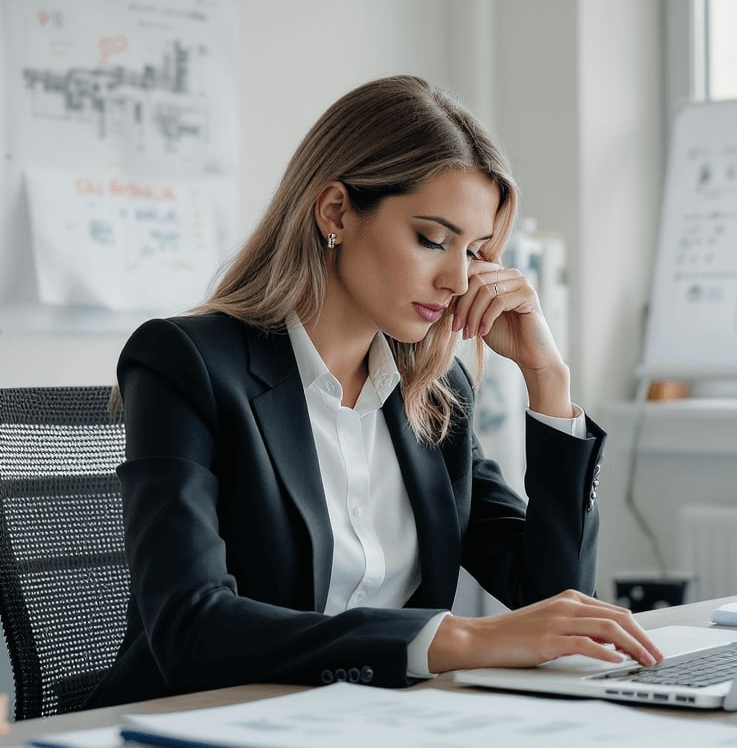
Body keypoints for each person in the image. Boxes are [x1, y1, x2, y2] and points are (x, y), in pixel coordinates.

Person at [84, 74, 663, 708]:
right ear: (336, 212)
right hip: (213, 721)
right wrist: (456, 641)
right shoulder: (187, 362)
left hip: (381, 721)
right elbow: (190, 627)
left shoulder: (437, 392)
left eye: (475, 252)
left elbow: (553, 597)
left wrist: (548, 383)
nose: (456, 279)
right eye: (433, 240)